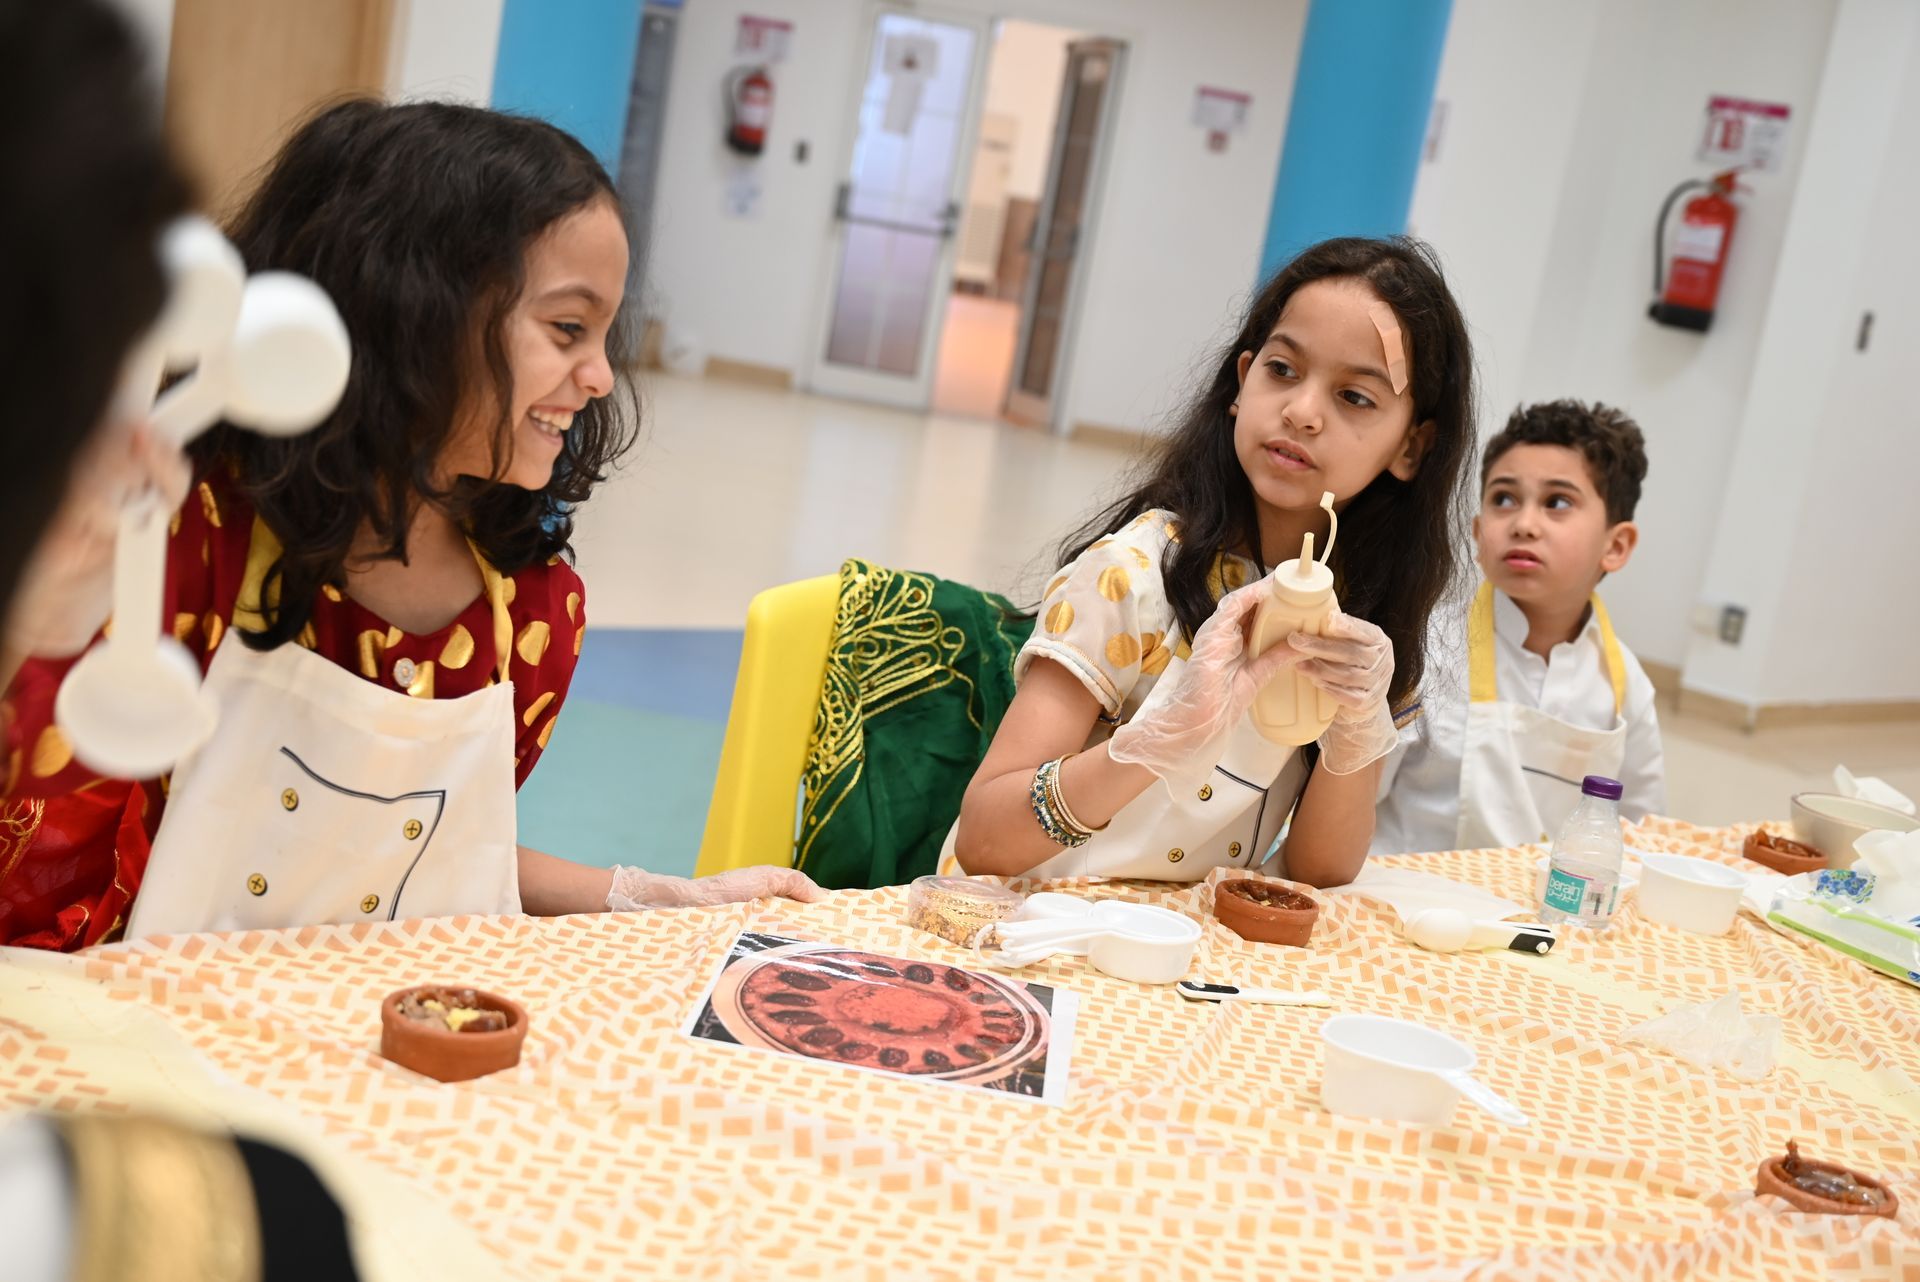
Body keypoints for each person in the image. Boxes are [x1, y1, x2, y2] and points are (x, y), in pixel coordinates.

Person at [1, 99, 818, 951]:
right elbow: (46, 872)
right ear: (419, 309)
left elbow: (434, 868)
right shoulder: (183, 540)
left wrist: (641, 897)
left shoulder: (532, 615)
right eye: (568, 329)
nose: (601, 377)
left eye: (606, 336)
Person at [951, 237, 1476, 886]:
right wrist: (1147, 747)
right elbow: (981, 840)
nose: (1302, 412)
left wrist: (1358, 732)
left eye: (1355, 397)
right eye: (1283, 370)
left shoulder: (1366, 621)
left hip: (1187, 964)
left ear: (1412, 447)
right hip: (1022, 930)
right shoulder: (1131, 576)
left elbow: (1319, 870)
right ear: (1241, 381)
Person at [1373, 399, 1664, 852]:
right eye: (1503, 499)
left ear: (1617, 545)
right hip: (1403, 905)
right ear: (1477, 533)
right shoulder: (1422, 650)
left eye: (1557, 502)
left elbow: (1640, 835)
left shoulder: (1626, 688)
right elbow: (1348, 805)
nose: (1524, 524)